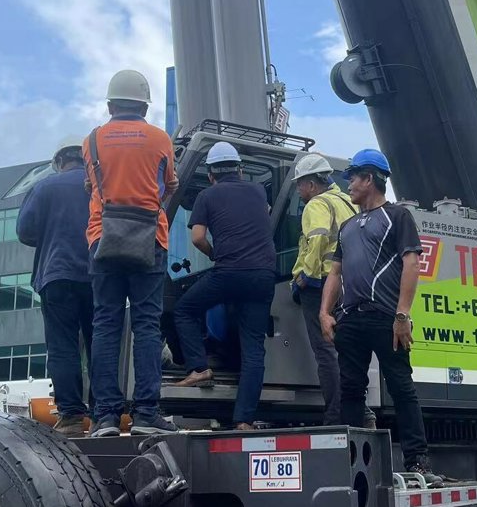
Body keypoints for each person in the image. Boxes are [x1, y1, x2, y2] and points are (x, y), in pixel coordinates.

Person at [320, 148, 438, 483]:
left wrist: (402, 315)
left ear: (369, 178)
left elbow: (412, 263)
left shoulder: (397, 217)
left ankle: (418, 462)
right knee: (351, 390)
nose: (349, 185)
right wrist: (325, 312)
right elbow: (335, 272)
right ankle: (352, 465)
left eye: (353, 178)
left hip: (386, 317)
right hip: (350, 319)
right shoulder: (347, 226)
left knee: (401, 386)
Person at [86, 69, 179, 437]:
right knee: (146, 325)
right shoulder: (160, 139)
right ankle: (145, 414)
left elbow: (91, 185)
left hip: (102, 238)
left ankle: (105, 417)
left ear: (111, 105)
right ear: (145, 106)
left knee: (105, 324)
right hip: (149, 239)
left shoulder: (92, 140)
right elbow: (169, 185)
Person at [173, 142, 276, 430]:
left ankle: (199, 367)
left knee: (184, 310)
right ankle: (244, 420)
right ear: (240, 170)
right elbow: (264, 216)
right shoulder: (258, 191)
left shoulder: (207, 195)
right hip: (263, 275)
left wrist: (213, 253)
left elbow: (197, 238)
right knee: (253, 348)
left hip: (230, 271)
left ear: (210, 175)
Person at [289, 153, 374, 428]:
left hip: (322, 284)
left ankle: (336, 416)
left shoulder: (317, 204)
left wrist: (306, 277)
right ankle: (362, 413)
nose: (299, 190)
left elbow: (316, 240)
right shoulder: (348, 202)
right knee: (346, 353)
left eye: (300, 184)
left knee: (325, 353)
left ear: (312, 184)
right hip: (350, 286)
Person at [16, 136, 94, 436]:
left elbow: (25, 230)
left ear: (59, 161)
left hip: (57, 275)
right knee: (100, 344)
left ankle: (71, 416)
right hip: (97, 274)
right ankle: (104, 414)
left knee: (63, 346)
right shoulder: (97, 185)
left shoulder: (44, 187)